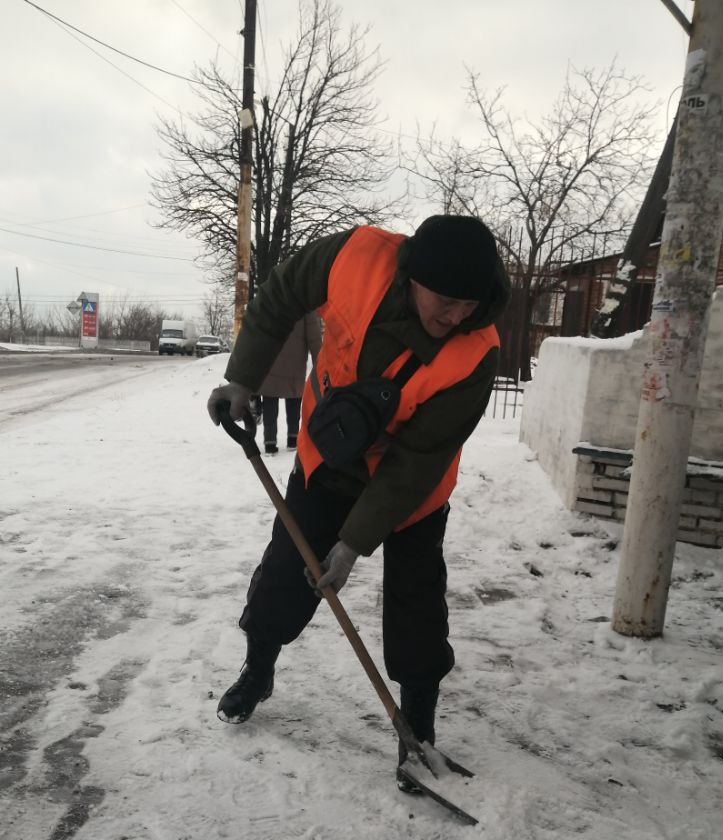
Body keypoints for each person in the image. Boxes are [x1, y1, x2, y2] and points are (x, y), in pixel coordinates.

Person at [207, 214, 511, 781]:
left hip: (412, 488)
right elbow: (278, 298)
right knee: (285, 572)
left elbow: (418, 462)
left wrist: (352, 545)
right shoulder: (356, 257)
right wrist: (242, 379)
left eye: (468, 305)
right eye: (445, 300)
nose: (456, 316)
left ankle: (417, 725)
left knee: (416, 601)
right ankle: (259, 668)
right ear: (411, 275)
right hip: (330, 457)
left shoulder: (477, 352)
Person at [255, 311, 322, 454]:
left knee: (270, 404)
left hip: (269, 361)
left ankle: (270, 443)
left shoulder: (270, 301)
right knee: (293, 401)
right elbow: (314, 338)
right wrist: (320, 362)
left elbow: (257, 333)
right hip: (295, 364)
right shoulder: (305, 306)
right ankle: (293, 439)